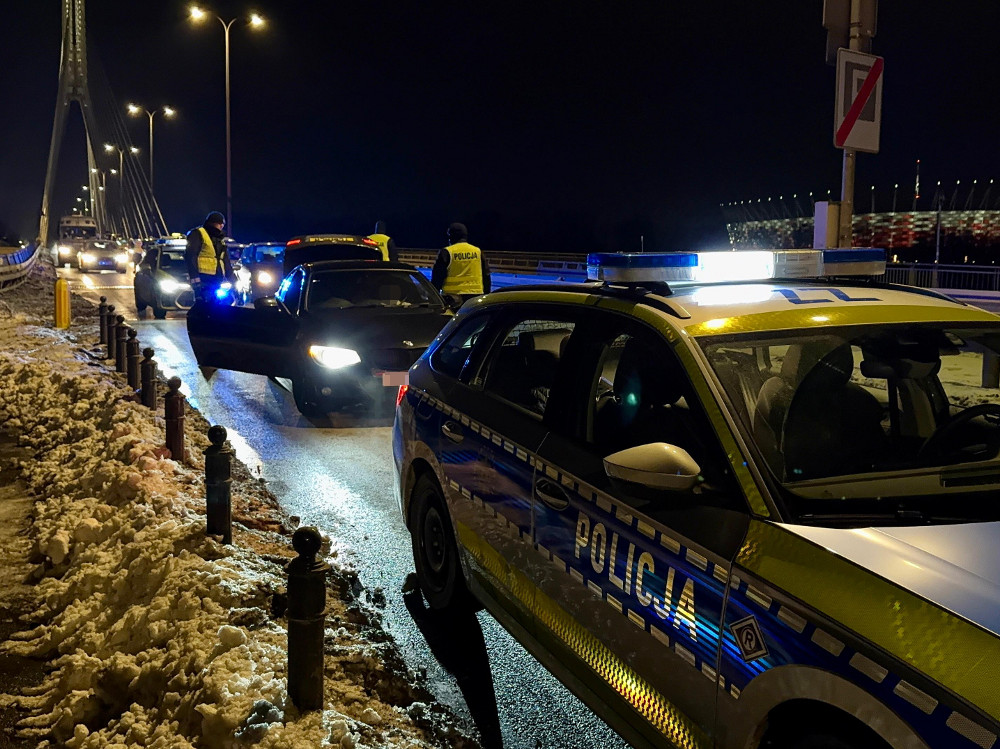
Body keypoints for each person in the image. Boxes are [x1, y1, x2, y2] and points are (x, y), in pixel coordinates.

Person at [431, 222, 490, 303]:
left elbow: (437, 277)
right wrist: (486, 296)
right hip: (475, 298)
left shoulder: (447, 252)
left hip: (452, 299)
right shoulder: (478, 251)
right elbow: (486, 276)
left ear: (451, 236)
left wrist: (433, 297)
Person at [184, 211, 236, 303]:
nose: (221, 225)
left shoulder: (220, 240)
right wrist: (195, 277)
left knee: (216, 305)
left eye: (222, 223)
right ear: (212, 222)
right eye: (219, 223)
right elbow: (191, 255)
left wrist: (233, 281)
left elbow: (225, 261)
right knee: (204, 305)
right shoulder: (198, 234)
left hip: (217, 278)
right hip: (203, 278)